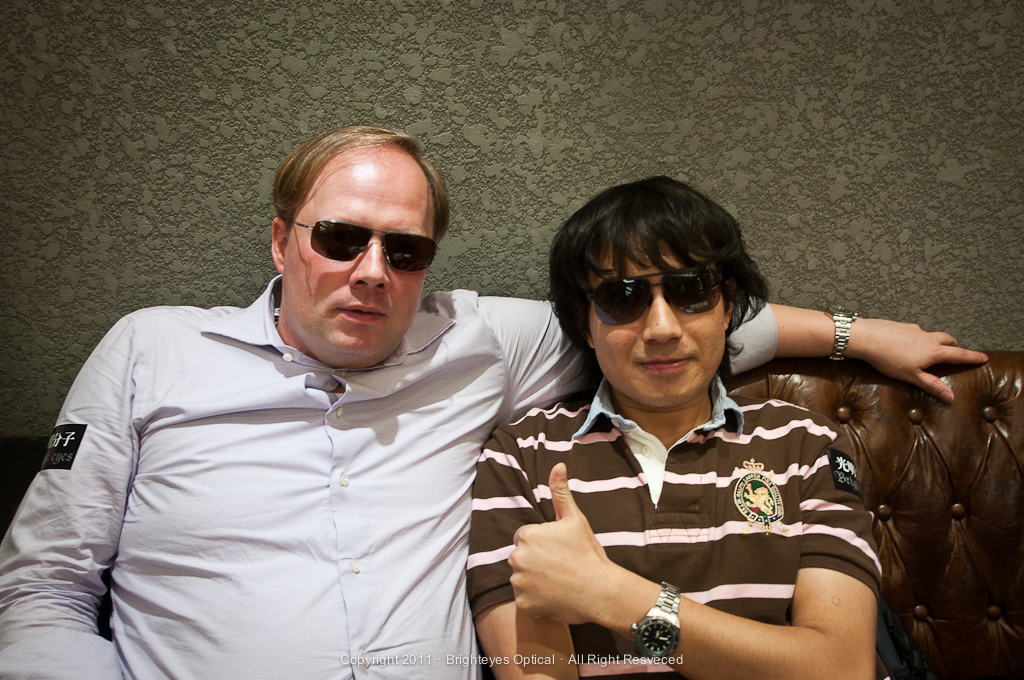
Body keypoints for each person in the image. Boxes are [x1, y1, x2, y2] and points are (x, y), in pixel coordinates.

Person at [0, 127, 983, 680]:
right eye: (339, 238)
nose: (372, 271)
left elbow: (674, 326)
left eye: (405, 249)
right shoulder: (152, 349)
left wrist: (857, 334)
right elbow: (42, 587)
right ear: (279, 239)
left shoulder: (478, 342)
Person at [467, 176, 891, 679]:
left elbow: (842, 668)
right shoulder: (522, 456)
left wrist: (611, 593)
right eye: (622, 298)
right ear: (585, 323)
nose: (663, 328)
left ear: (728, 306)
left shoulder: (806, 445)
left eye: (690, 290)